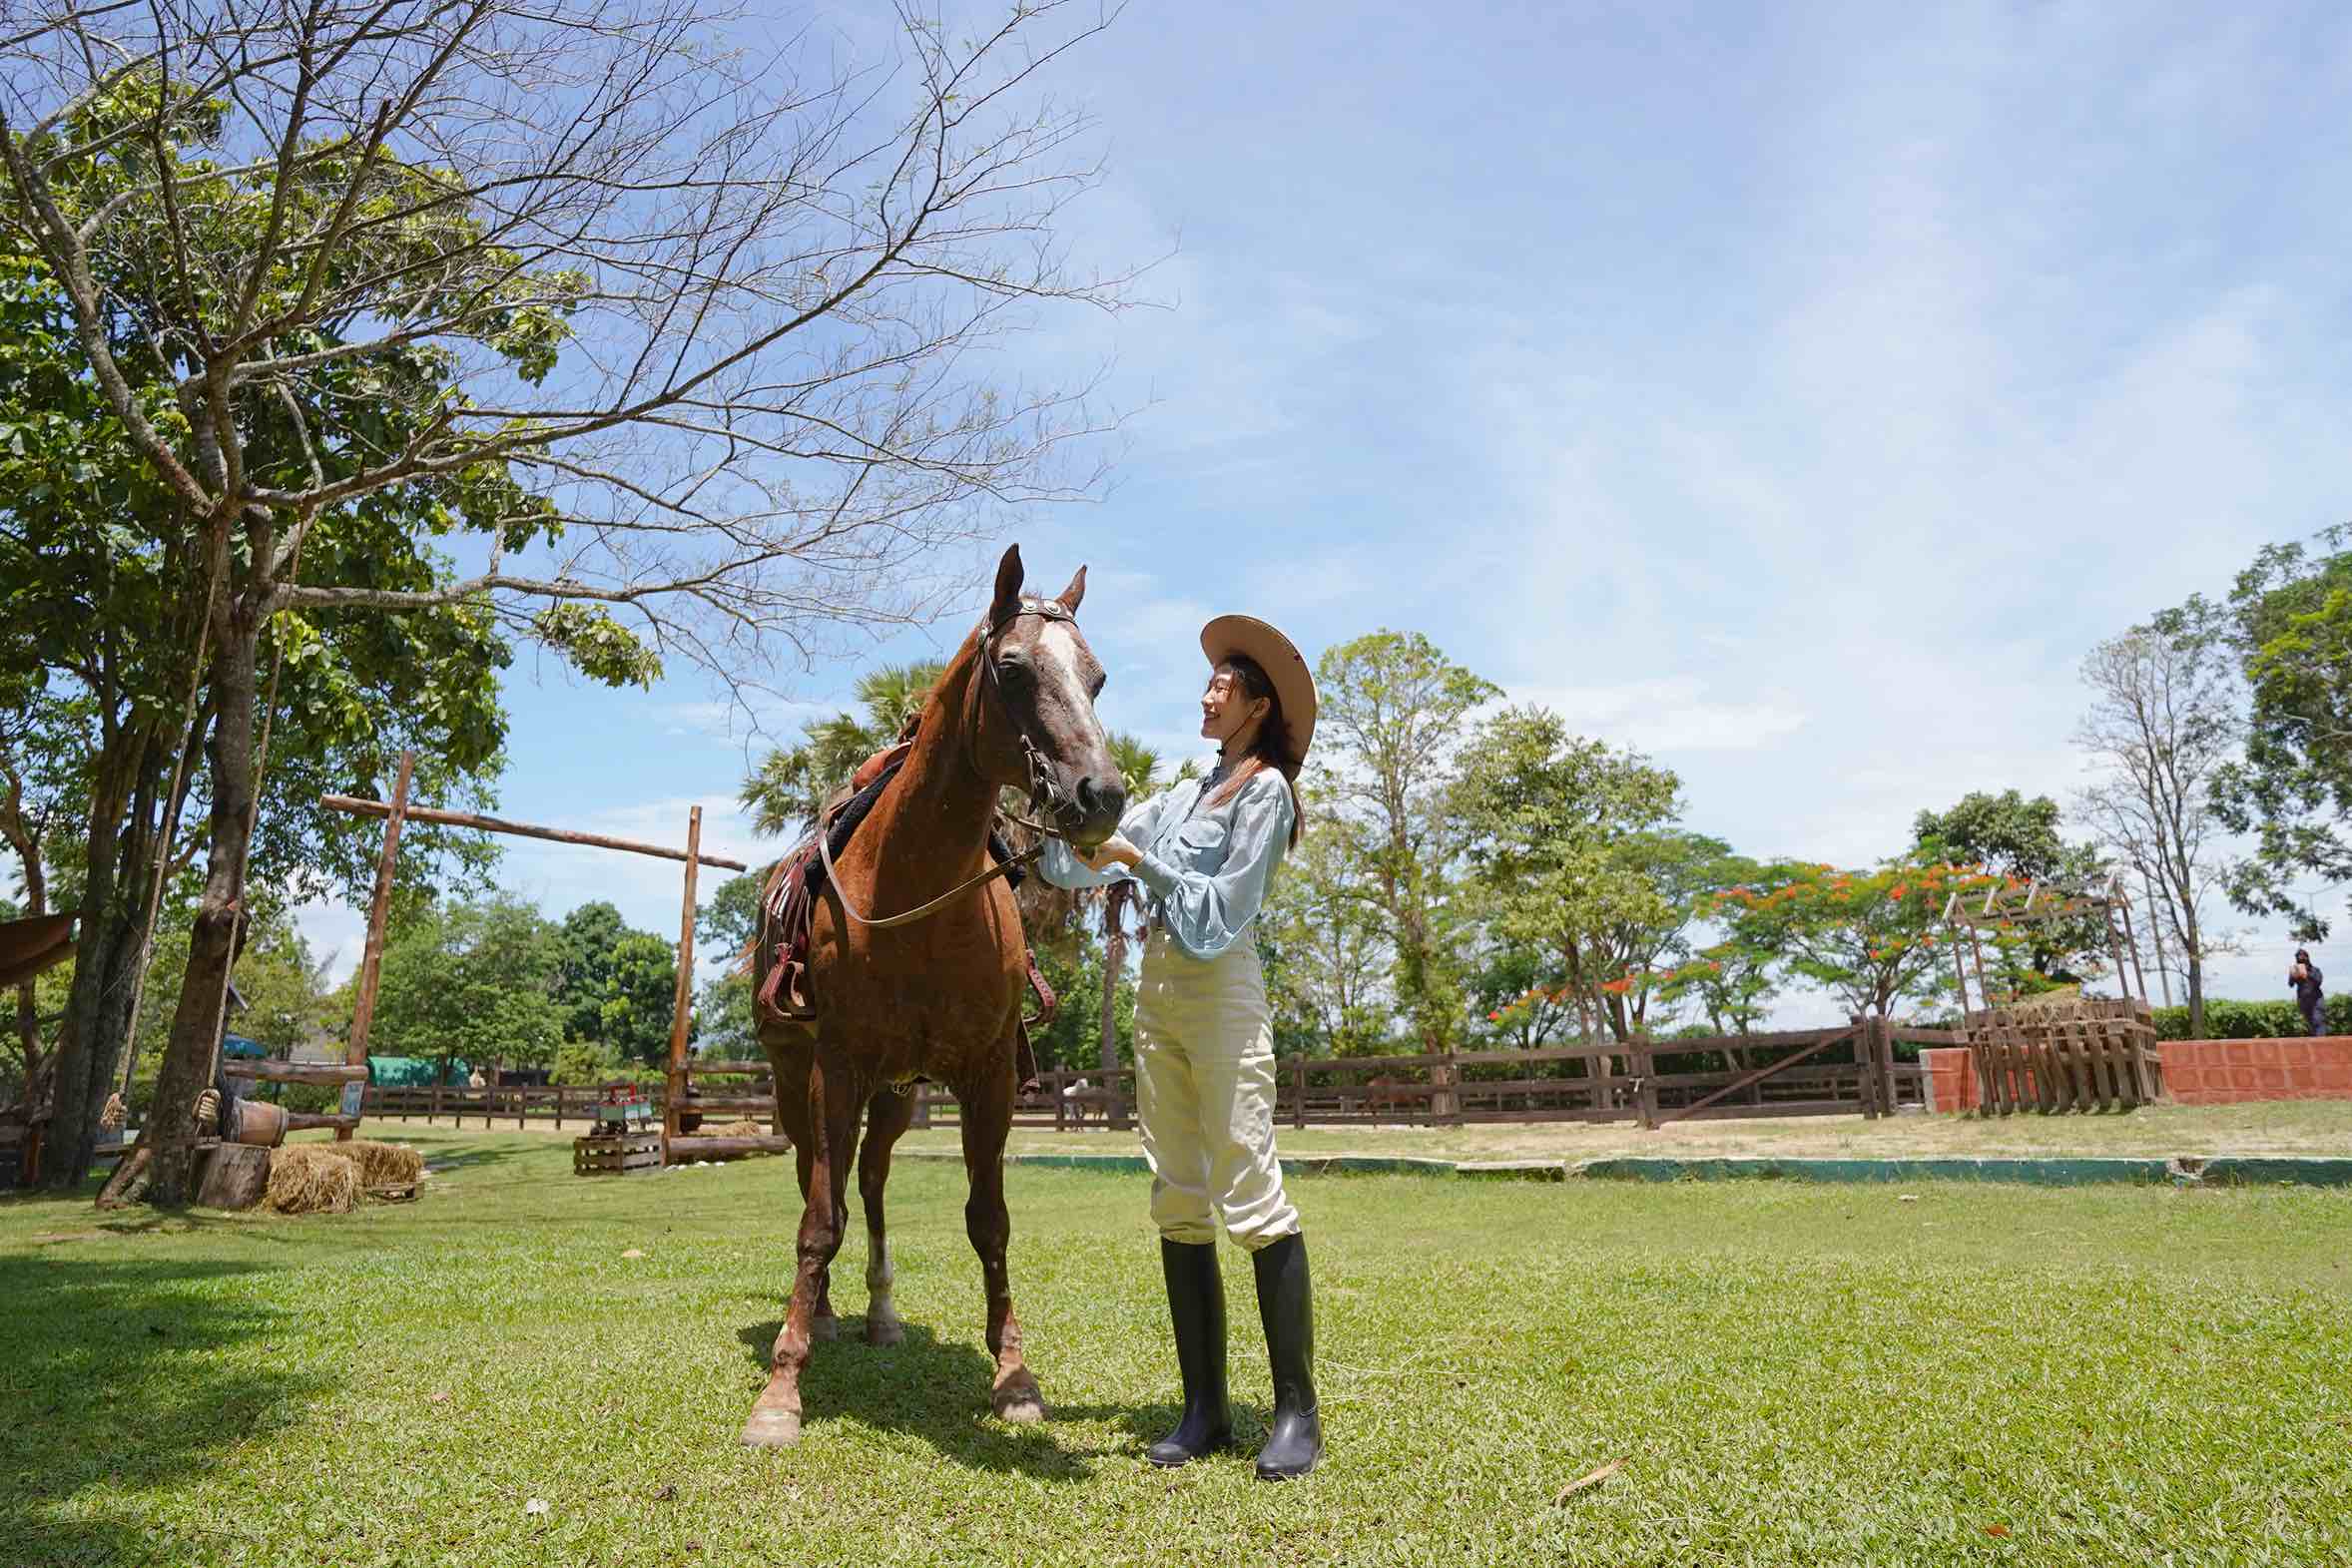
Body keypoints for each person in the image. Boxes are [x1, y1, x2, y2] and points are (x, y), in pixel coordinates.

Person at [1037, 614, 1322, 1481]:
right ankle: (1203, 1408)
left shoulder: (1266, 794)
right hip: (1160, 990)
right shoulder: (1187, 793)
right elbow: (1078, 862)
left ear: (1257, 705)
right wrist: (1059, 817)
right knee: (1179, 1191)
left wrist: (1142, 863)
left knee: (1248, 1180)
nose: (1206, 692)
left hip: (1220, 985)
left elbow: (1218, 914)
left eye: (1223, 684)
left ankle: (1295, 1413)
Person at [2289, 948, 2326, 1037]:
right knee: (2311, 1022)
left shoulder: (2315, 970)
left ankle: (2321, 1042)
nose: (2300, 959)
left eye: (2302, 957)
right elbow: (2290, 984)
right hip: (2303, 1000)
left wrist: (2307, 974)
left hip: (2316, 999)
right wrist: (2293, 975)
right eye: (2298, 957)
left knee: (2318, 1019)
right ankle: (2315, 1043)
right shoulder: (2296, 969)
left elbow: (2318, 982)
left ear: (2307, 957)